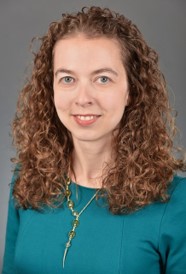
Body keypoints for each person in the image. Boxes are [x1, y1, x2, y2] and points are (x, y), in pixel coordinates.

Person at [2, 6, 186, 274]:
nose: (83, 98)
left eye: (102, 79)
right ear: (49, 88)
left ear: (131, 91)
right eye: (67, 79)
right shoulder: (27, 180)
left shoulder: (176, 202)